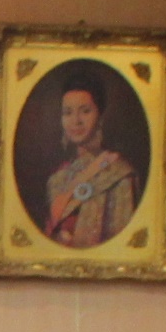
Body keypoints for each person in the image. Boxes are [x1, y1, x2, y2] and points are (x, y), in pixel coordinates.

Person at [40, 69, 140, 250]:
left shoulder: (119, 174)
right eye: (68, 112)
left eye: (85, 111)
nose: (75, 121)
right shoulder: (57, 179)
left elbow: (122, 247)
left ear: (100, 116)